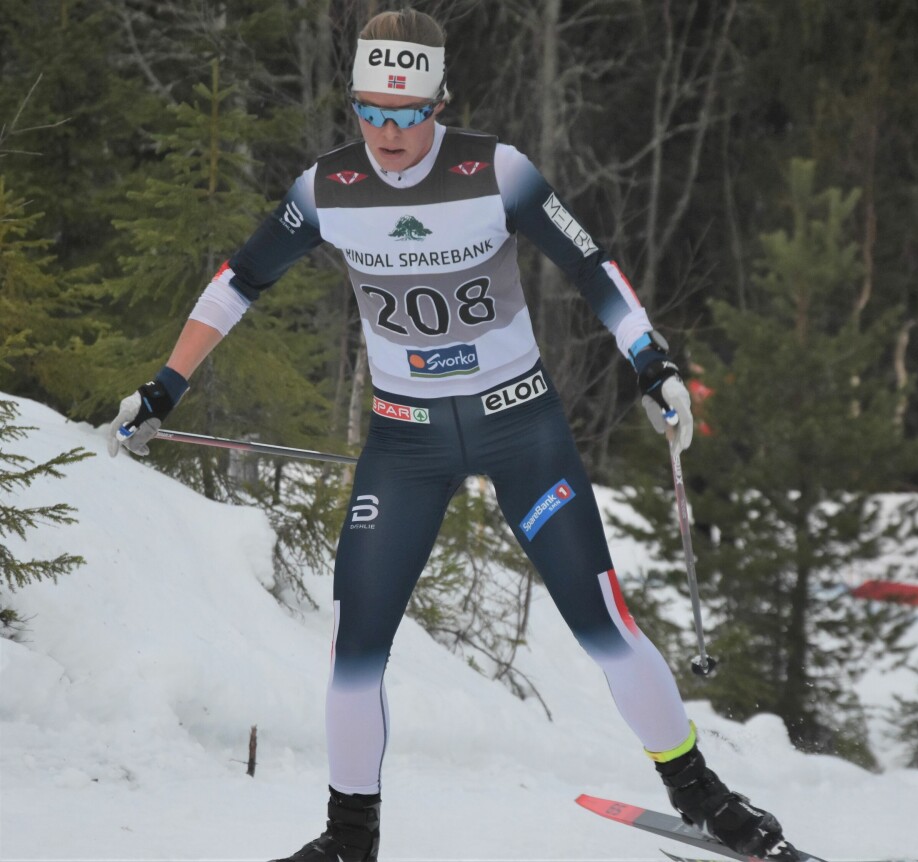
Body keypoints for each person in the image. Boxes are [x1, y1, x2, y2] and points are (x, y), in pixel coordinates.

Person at [108, 9, 794, 862]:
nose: (390, 134)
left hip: (522, 431)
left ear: (440, 102)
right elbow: (238, 281)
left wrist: (653, 363)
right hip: (406, 444)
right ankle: (349, 837)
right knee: (355, 642)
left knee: (603, 622)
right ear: (355, 104)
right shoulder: (327, 189)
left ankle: (702, 796)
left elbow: (591, 264)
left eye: (410, 113)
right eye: (372, 112)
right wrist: (163, 387)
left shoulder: (493, 171)